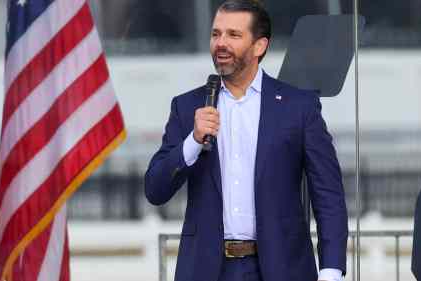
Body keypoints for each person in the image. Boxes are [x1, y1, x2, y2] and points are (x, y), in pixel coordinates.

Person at [144, 1, 348, 280]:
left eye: (233, 35)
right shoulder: (188, 106)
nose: (221, 43)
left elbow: (328, 196)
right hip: (208, 270)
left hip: (281, 268)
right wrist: (192, 140)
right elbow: (155, 189)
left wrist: (331, 270)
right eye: (216, 34)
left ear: (259, 46)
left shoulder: (298, 107)